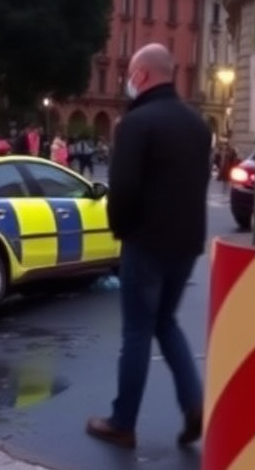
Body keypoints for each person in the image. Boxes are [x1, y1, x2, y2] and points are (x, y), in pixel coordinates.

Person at [87, 43, 211, 449]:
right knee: (166, 322)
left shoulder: (136, 123)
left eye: (130, 74)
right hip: (187, 243)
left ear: (141, 75)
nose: (128, 80)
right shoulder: (197, 124)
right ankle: (194, 404)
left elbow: (123, 189)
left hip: (146, 242)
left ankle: (123, 422)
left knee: (137, 331)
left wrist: (120, 230)